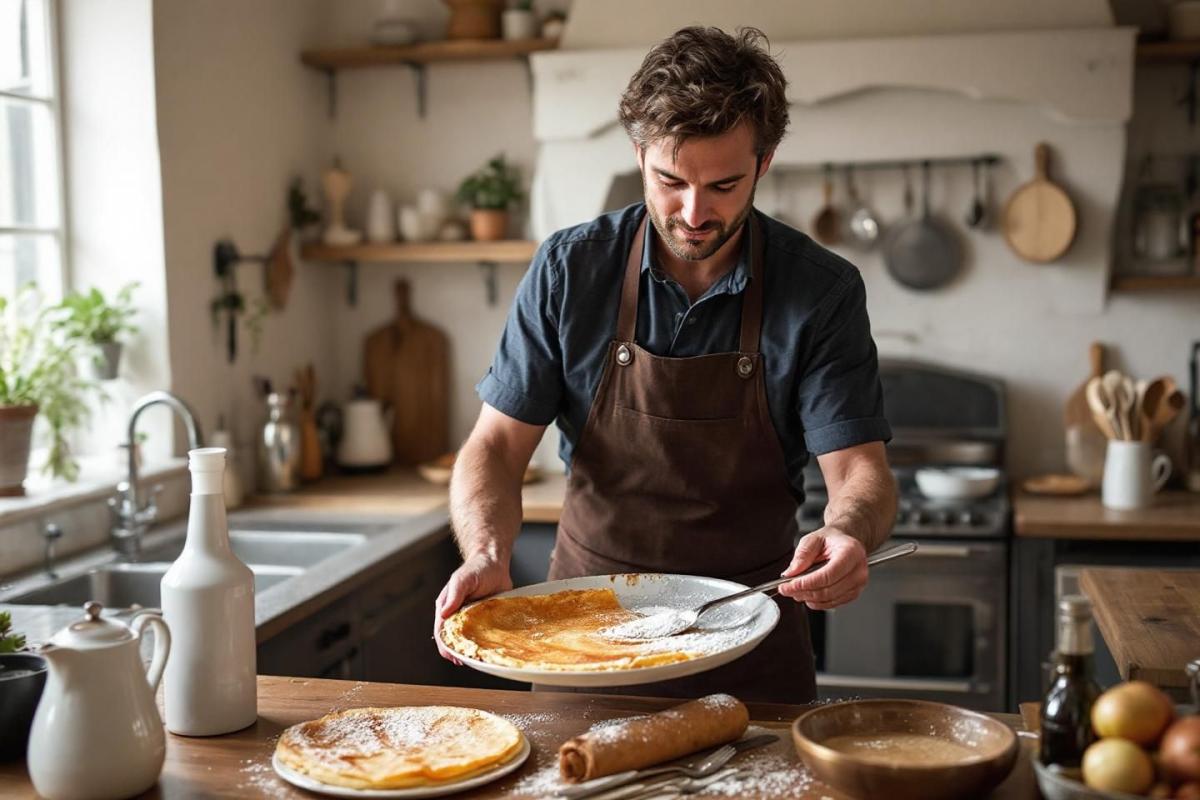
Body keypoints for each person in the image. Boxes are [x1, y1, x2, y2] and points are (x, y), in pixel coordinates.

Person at [433, 25, 897, 704]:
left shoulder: (820, 291)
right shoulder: (570, 269)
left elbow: (861, 470)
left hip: (750, 631)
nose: (694, 212)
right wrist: (484, 553)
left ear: (764, 164)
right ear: (639, 152)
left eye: (724, 185)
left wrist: (849, 532)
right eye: (670, 180)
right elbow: (496, 447)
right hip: (584, 633)